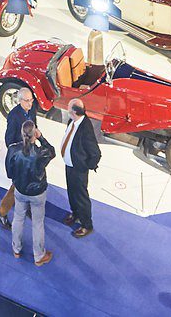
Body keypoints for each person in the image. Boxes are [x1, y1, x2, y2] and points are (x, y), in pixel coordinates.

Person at [4, 118, 54, 267]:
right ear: (34, 134)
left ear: (21, 133)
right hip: (37, 192)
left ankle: (16, 249)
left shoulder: (13, 150)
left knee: (18, 218)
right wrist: (42, 138)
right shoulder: (41, 153)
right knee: (37, 224)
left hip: (20, 190)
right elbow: (52, 151)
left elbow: (9, 173)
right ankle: (39, 256)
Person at [0, 85, 36, 227]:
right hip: (21, 157)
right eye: (27, 101)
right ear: (19, 100)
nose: (30, 103)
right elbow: (9, 140)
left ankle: (27, 206)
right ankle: (1, 212)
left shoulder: (31, 109)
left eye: (31, 100)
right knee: (16, 187)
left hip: (30, 153)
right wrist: (20, 152)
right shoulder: (14, 116)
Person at [62, 97, 101, 238]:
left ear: (73, 112)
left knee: (81, 197)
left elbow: (95, 153)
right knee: (72, 192)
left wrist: (84, 166)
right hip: (70, 165)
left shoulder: (85, 128)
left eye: (68, 108)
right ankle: (75, 213)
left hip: (78, 169)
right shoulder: (72, 121)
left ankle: (86, 225)